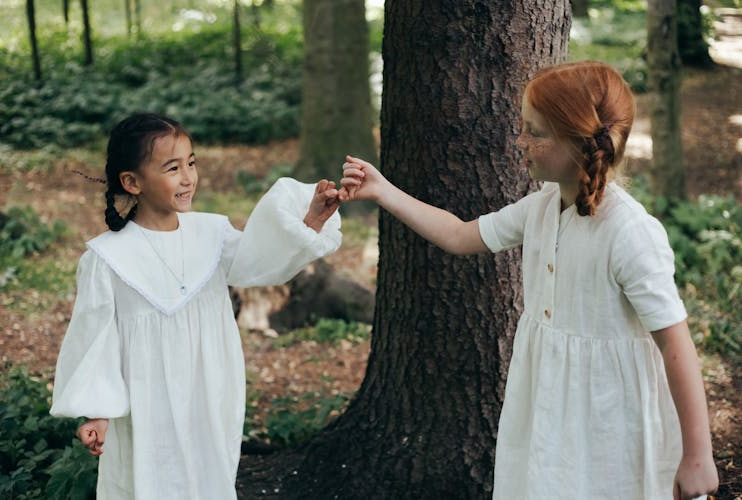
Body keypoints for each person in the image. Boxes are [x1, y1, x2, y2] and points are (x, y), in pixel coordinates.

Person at [338, 61, 718, 499]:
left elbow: (676, 344)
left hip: (613, 420)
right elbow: (460, 235)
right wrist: (383, 190)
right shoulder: (541, 208)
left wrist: (697, 456)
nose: (519, 140)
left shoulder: (629, 232)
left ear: (578, 141)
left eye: (535, 132)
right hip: (550, 407)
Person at [50, 113, 342, 499]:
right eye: (172, 168)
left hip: (210, 390)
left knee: (208, 477)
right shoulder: (107, 258)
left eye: (192, 163)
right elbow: (96, 337)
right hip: (145, 400)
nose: (188, 177)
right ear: (132, 182)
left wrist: (310, 220)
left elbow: (262, 261)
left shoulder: (213, 233)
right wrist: (99, 410)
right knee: (149, 477)